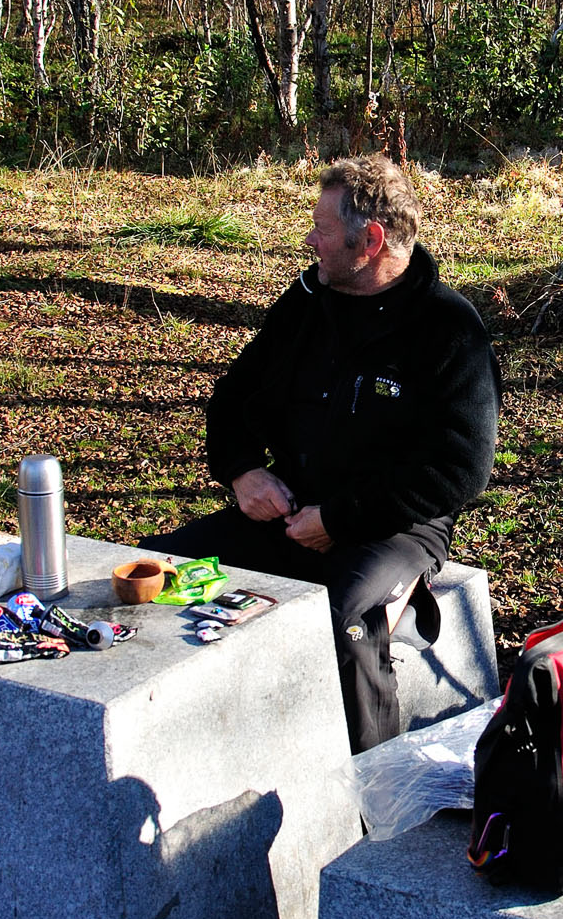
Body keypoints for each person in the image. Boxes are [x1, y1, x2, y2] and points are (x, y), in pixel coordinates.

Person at [143, 156, 501, 752]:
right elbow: (233, 396)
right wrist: (241, 471)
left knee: (347, 621)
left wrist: (340, 520)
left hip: (396, 526)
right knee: (151, 572)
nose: (309, 240)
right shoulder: (308, 301)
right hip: (290, 505)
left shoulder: (448, 329)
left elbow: (460, 469)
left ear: (372, 239)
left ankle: (382, 798)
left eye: (322, 229)